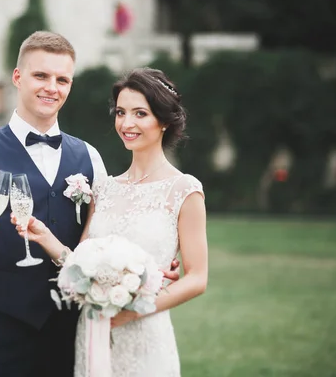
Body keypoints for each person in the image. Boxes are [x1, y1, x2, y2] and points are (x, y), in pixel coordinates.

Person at [0, 31, 109, 377]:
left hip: (70, 328)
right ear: (18, 77)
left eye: (62, 79)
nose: (52, 88)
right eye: (41, 75)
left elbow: (104, 236)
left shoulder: (90, 157)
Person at [13, 67, 208, 376]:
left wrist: (137, 311)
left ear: (164, 121)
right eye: (121, 112)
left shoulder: (184, 190)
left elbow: (197, 277)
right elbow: (79, 263)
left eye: (140, 113)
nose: (127, 123)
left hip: (145, 335)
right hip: (93, 332)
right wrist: (47, 239)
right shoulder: (104, 187)